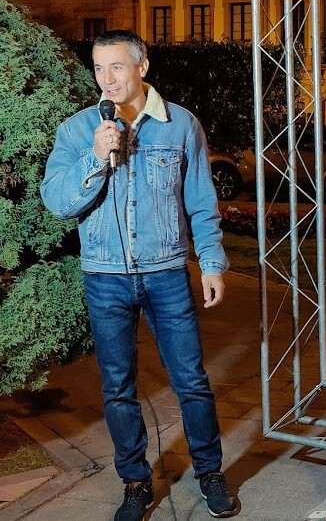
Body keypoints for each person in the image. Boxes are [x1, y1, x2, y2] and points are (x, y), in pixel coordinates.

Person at [40, 30, 239, 520]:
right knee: (118, 386)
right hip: (105, 276)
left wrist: (211, 262)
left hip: (167, 272)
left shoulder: (180, 126)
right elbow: (58, 202)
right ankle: (134, 481)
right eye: (99, 69)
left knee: (190, 379)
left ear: (141, 66)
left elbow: (199, 200)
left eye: (117, 67)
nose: (106, 79)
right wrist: (95, 156)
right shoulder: (78, 129)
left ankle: (209, 471)